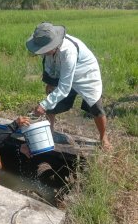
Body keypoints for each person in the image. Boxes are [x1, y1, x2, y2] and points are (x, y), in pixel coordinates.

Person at [26, 22, 111, 150]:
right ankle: (50, 131)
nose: (42, 52)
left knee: (95, 107)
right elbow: (49, 64)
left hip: (85, 73)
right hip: (63, 71)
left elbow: (64, 88)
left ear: (54, 44)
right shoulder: (48, 48)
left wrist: (43, 105)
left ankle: (104, 138)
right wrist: (50, 82)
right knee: (51, 99)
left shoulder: (68, 52)